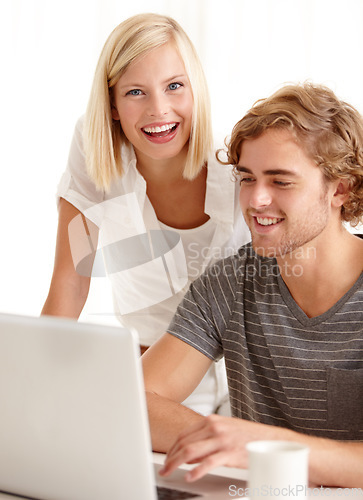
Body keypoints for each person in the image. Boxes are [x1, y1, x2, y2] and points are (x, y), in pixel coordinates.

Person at [142, 82, 363, 488]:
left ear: (340, 189)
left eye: (280, 181)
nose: (255, 200)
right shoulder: (228, 283)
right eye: (247, 178)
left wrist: (262, 445)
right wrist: (224, 441)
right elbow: (136, 399)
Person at [41, 13, 250, 416]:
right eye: (136, 92)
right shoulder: (95, 147)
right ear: (113, 105)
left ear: (195, 90)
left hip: (244, 382)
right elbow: (70, 284)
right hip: (146, 381)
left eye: (174, 86)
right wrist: (34, 384)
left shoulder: (238, 160)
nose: (159, 109)